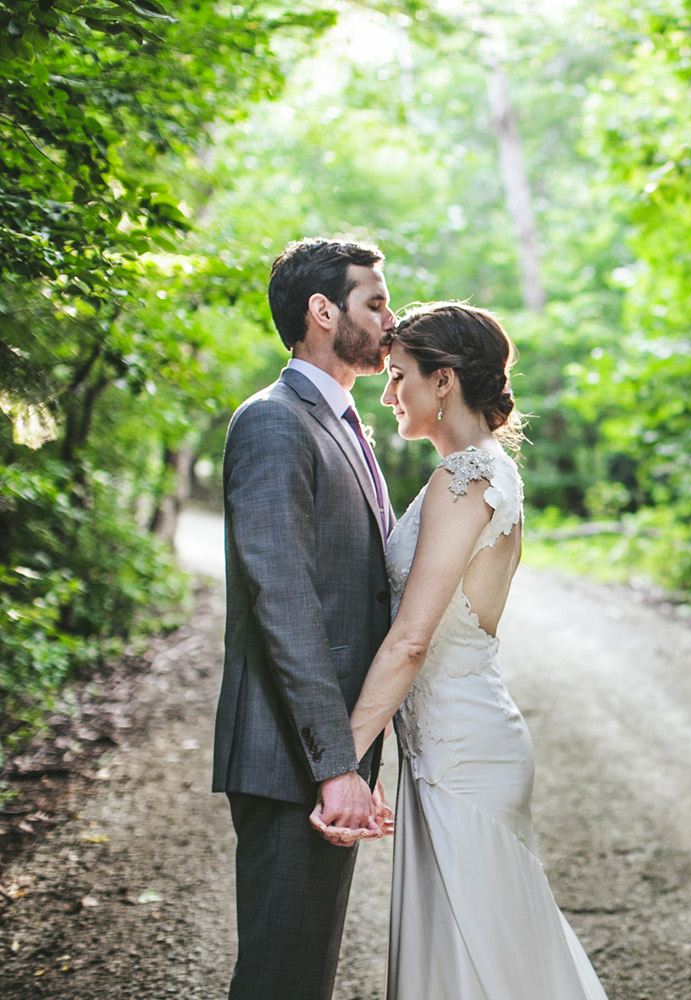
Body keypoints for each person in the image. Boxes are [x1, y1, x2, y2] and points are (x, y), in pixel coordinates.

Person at [311, 302, 608, 999]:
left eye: (399, 376)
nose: (388, 395)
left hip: (463, 755)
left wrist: (343, 761)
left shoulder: (466, 478)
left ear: (443, 382)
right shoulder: (474, 472)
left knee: (492, 964)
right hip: (445, 747)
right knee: (468, 963)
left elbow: (411, 639)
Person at [212, 237, 398, 1000]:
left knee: (301, 969)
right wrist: (335, 764)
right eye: (375, 302)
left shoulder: (340, 421)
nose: (391, 320)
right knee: (282, 976)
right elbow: (284, 602)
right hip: (295, 758)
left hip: (323, 753)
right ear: (323, 312)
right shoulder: (274, 421)